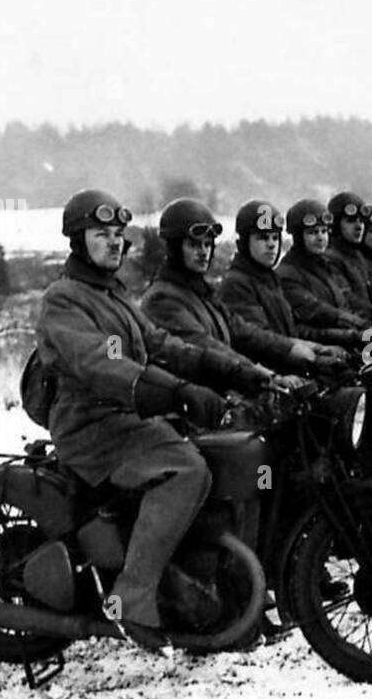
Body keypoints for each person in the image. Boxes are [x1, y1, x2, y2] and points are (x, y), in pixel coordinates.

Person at [36, 188, 233, 650]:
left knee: (220, 452)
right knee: (187, 470)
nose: (113, 243)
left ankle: (205, 591)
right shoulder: (64, 300)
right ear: (78, 242)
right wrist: (178, 392)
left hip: (128, 419)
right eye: (101, 234)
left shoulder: (115, 296)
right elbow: (103, 364)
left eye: (118, 234)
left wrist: (220, 369)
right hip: (91, 429)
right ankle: (131, 599)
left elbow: (160, 344)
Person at [140, 197, 321, 378]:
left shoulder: (203, 294)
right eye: (194, 244)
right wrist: (261, 374)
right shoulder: (163, 299)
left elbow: (244, 331)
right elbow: (205, 345)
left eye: (207, 244)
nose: (203, 252)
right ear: (175, 248)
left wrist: (305, 348)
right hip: (203, 395)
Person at [217, 199, 360, 351]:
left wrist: (321, 348)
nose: (271, 244)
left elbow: (292, 330)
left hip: (296, 363)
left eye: (274, 237)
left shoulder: (269, 279)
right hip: (274, 371)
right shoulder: (238, 284)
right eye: (263, 238)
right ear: (244, 243)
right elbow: (258, 341)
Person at [276, 197, 370, 336]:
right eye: (312, 232)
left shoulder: (326, 266)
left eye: (324, 231)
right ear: (298, 236)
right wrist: (357, 329)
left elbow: (348, 303)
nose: (320, 237)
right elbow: (316, 311)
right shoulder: (287, 274)